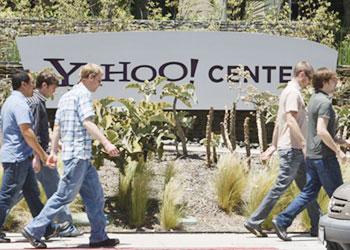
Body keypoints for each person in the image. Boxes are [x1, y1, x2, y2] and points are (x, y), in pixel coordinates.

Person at [22, 64, 120, 249]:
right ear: (89, 77)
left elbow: (56, 126)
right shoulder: (83, 95)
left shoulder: (66, 96)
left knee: (95, 196)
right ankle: (34, 229)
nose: (99, 85)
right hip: (77, 156)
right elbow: (87, 122)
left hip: (80, 157)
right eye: (99, 80)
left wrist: (52, 152)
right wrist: (106, 143)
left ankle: (99, 236)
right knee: (63, 196)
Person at [244, 61, 320, 237]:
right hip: (293, 149)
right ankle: (254, 221)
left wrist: (273, 145)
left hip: (292, 149)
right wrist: (303, 143)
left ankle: (317, 224)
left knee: (308, 188)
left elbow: (280, 123)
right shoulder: (293, 93)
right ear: (302, 74)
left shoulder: (288, 92)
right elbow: (290, 120)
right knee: (281, 187)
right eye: (308, 79)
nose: (308, 83)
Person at [273, 67, 350, 241]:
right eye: (334, 80)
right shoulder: (324, 103)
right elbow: (322, 131)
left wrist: (344, 142)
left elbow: (321, 132)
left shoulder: (314, 99)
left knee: (308, 193)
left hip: (313, 156)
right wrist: (339, 152)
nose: (337, 82)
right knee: (338, 195)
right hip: (325, 158)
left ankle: (282, 220)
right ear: (325, 82)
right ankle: (340, 231)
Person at [0, 71, 59, 243]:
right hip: (18, 157)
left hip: (18, 156)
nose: (34, 86)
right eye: (32, 83)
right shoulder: (20, 104)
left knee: (32, 194)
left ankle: (46, 228)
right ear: (23, 84)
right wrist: (43, 155)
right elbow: (27, 131)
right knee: (6, 195)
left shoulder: (9, 102)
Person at [25, 70, 80, 237]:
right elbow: (32, 130)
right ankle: (65, 226)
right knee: (57, 189)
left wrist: (54, 142)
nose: (54, 92)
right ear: (44, 85)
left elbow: (39, 129)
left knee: (19, 192)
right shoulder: (36, 103)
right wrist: (37, 156)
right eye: (53, 88)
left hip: (36, 154)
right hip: (40, 156)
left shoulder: (35, 101)